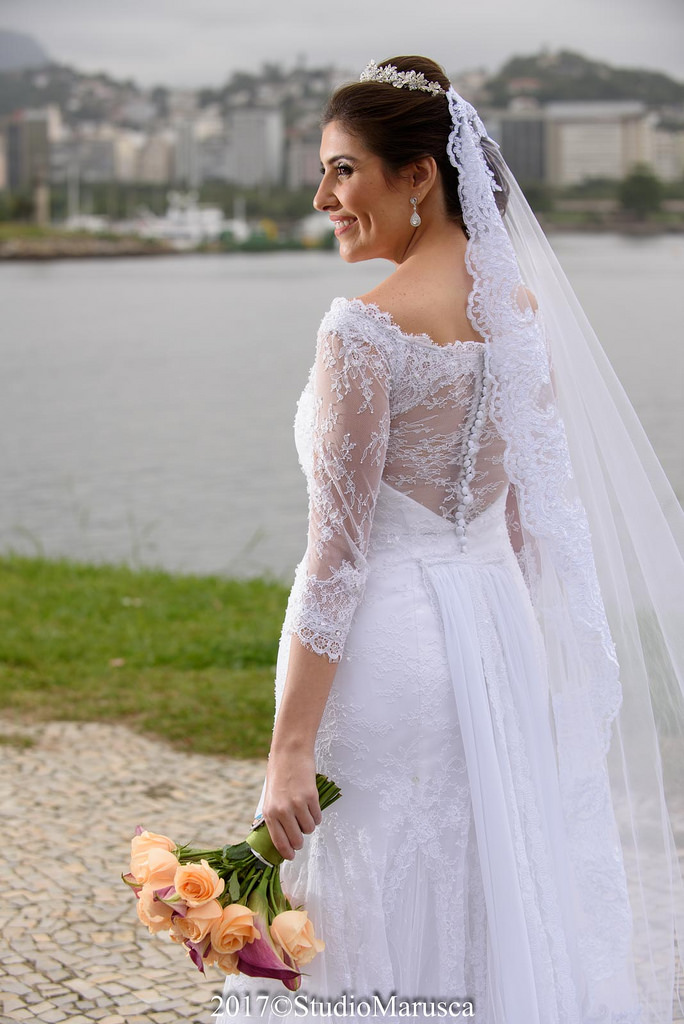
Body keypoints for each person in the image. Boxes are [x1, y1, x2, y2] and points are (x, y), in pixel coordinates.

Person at [219, 57, 684, 1024]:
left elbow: (335, 561)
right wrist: (509, 654)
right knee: (490, 881)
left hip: (391, 655)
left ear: (420, 174)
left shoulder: (363, 330)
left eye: (343, 170)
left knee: (374, 887)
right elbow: (520, 524)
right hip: (496, 638)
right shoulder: (518, 312)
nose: (323, 198)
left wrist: (290, 749)